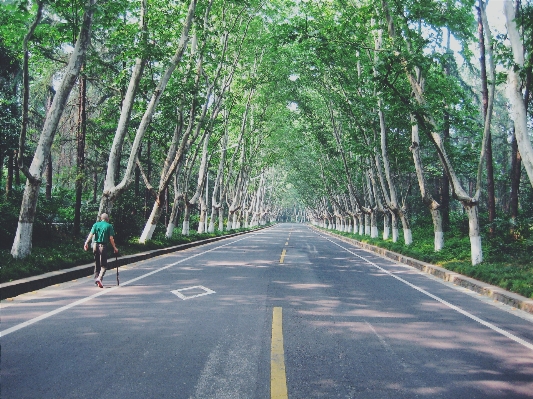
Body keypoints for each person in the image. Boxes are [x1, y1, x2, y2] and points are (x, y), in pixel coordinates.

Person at [83, 213, 118, 288]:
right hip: (103, 246)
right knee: (104, 265)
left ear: (101, 218)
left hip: (95, 245)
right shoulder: (109, 226)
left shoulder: (96, 225)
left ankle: (96, 279)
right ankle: (99, 278)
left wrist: (86, 242)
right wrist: (114, 247)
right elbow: (111, 238)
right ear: (107, 219)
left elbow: (91, 234)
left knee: (97, 263)